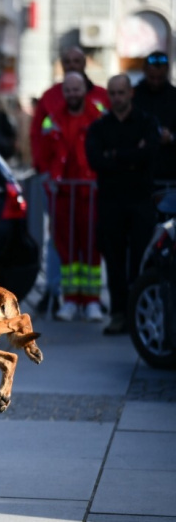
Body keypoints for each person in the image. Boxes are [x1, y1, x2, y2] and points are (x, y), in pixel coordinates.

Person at [30, 47, 109, 315]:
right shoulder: (54, 115)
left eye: (77, 90)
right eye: (68, 90)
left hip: (91, 191)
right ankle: (70, 299)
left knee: (91, 245)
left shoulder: (97, 114)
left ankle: (92, 301)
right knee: (65, 246)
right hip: (62, 192)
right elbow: (40, 142)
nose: (73, 94)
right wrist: (45, 172)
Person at [86, 74, 159, 335]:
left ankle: (137, 314)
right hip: (111, 202)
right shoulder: (100, 127)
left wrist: (114, 155)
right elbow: (95, 160)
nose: (117, 97)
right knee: (114, 261)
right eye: (113, 93)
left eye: (121, 92)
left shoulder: (147, 123)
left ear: (130, 94)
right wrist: (130, 156)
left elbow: (149, 152)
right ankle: (118, 313)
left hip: (140, 201)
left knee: (140, 260)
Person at [131, 51, 176, 184]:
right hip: (138, 169)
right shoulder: (133, 95)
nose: (156, 82)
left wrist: (172, 137)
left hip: (169, 171)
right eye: (152, 77)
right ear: (144, 71)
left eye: (160, 78)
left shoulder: (174, 96)